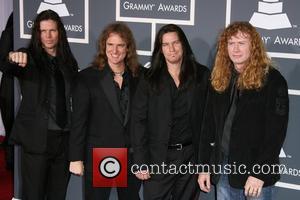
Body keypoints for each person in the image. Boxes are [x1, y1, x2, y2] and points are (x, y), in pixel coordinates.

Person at [198, 21, 289, 200]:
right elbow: (207, 127)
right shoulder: (219, 78)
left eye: (241, 43)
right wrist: (203, 167)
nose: (235, 49)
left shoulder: (273, 80)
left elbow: (276, 134)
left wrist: (259, 173)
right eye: (231, 43)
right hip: (224, 167)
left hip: (255, 173)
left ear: (253, 46)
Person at [0, 10, 78, 200]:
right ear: (37, 34)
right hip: (37, 141)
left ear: (59, 32)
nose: (48, 36)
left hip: (64, 141)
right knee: (33, 195)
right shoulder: (28, 57)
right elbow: (5, 64)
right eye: (43, 31)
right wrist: (12, 56)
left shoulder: (68, 61)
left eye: (52, 30)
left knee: (58, 195)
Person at [131, 24, 210, 200]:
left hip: (190, 157)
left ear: (184, 44)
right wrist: (141, 162)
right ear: (160, 49)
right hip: (158, 158)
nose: (171, 49)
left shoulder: (202, 75)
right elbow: (138, 122)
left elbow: (207, 123)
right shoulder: (149, 79)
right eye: (165, 45)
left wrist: (204, 164)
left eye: (175, 43)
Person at [69, 22, 141, 200]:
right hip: (101, 153)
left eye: (120, 45)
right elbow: (79, 121)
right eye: (110, 45)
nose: (114, 50)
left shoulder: (140, 77)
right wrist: (75, 158)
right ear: (104, 46)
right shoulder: (87, 78)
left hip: (132, 154)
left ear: (128, 48)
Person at [0, 12, 15, 170]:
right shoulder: (8, 33)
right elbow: (1, 62)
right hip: (10, 88)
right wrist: (12, 59)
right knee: (11, 129)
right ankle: (11, 164)